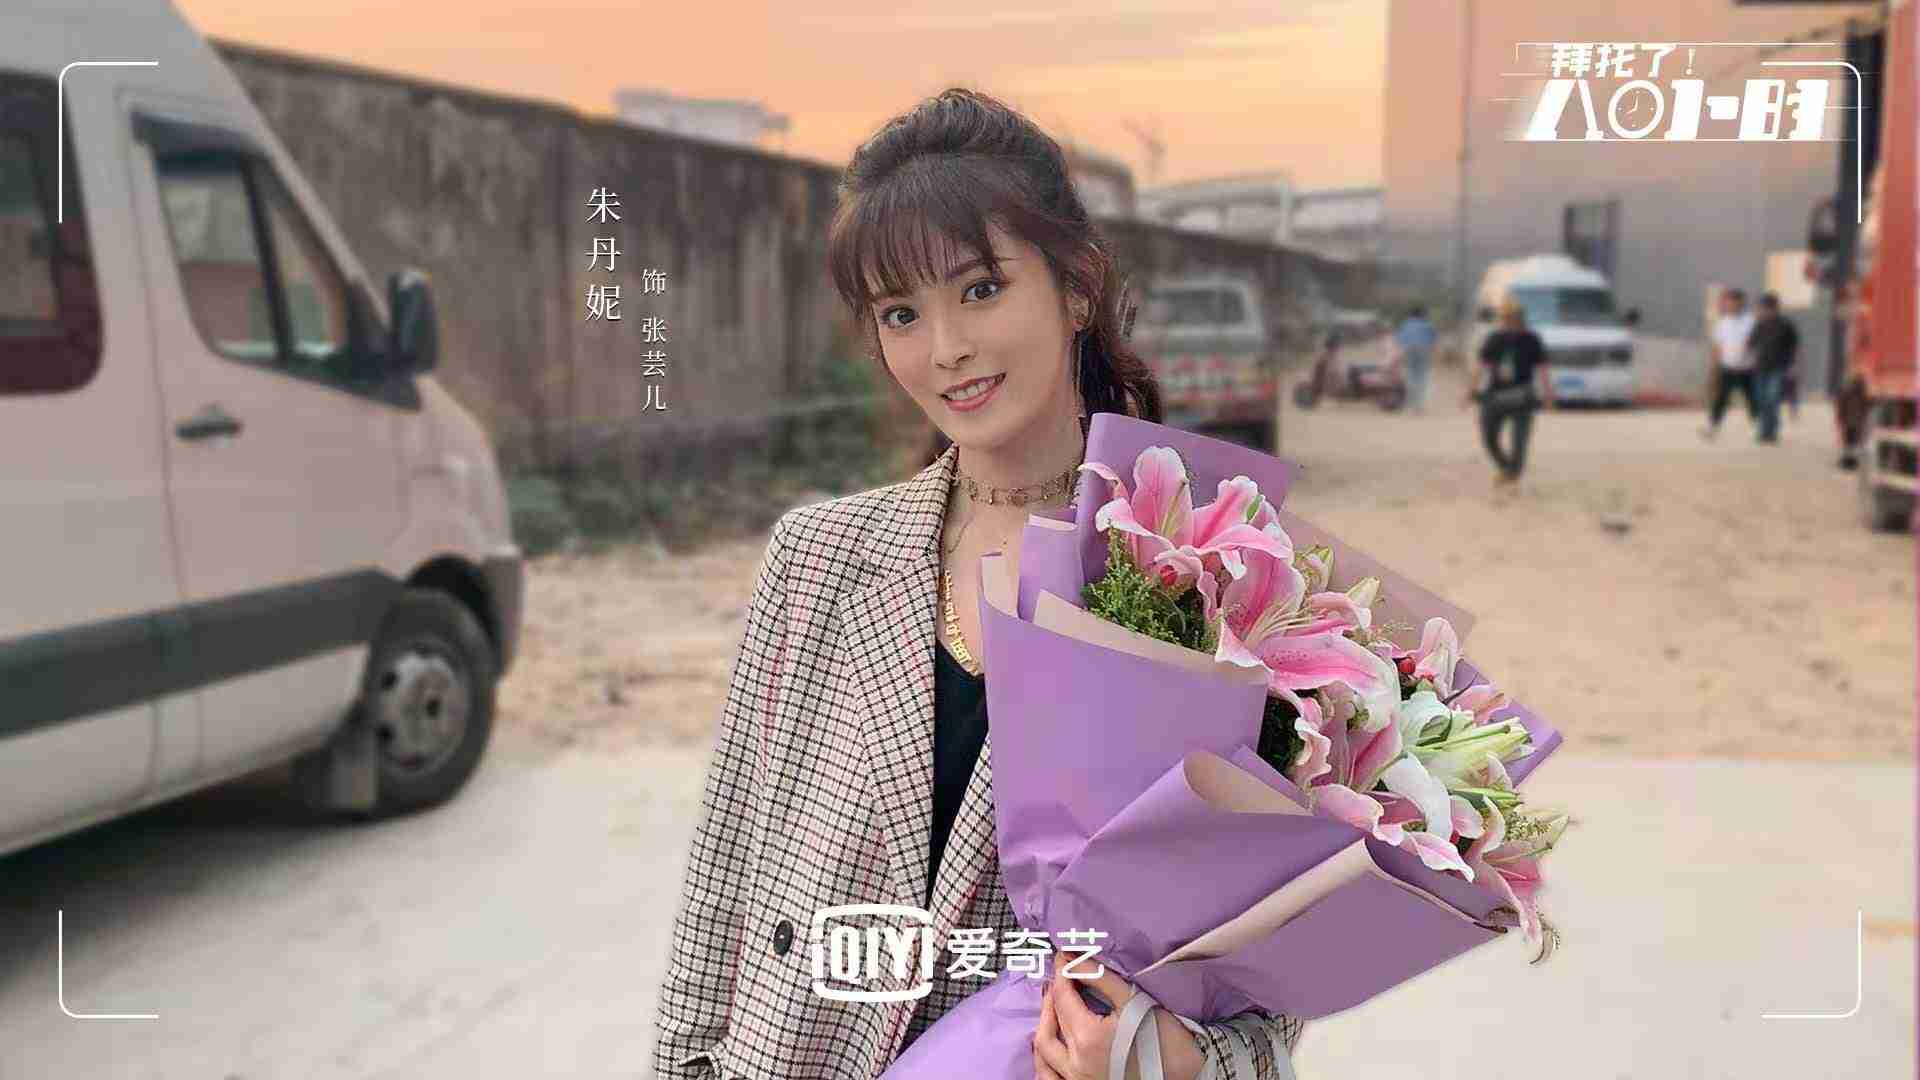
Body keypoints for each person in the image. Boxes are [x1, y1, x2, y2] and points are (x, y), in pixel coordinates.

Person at [650, 88, 1301, 1080]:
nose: (945, 346)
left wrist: (1184, 1060)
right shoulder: (816, 558)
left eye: (981, 289)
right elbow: (724, 879)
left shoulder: (1206, 571)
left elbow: (1270, 946)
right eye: (901, 313)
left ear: (1076, 287)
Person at [1467, 297, 1555, 488]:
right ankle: (1506, 467)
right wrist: (1471, 390)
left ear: (1520, 318)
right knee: (1488, 437)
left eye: (1513, 317)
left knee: (1519, 441)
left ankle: (1512, 475)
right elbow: (1481, 366)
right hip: (1495, 396)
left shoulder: (1532, 339)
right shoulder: (1494, 339)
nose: (1509, 321)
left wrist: (1548, 395)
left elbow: (1542, 368)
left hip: (1523, 395)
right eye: (1506, 318)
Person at [1701, 288, 1758, 440]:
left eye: (1735, 302)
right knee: (1721, 398)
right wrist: (1715, 366)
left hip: (1748, 368)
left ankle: (1757, 426)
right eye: (1729, 302)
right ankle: (1713, 426)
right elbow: (1717, 346)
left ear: (1742, 303)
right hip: (1727, 367)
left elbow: (1759, 343)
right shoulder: (1722, 323)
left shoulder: (1751, 322)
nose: (1731, 305)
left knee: (1752, 399)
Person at [1746, 292, 1800, 444]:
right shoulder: (1759, 325)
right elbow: (1750, 344)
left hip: (1778, 368)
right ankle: (1763, 431)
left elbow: (1795, 347)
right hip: (1760, 368)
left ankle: (1771, 432)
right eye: (1762, 308)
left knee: (1772, 398)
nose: (1763, 311)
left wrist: (1794, 366)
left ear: (1774, 308)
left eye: (1765, 308)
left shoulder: (1786, 325)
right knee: (1761, 400)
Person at [1392, 304, 1438, 412]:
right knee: (1422, 377)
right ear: (1423, 314)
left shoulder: (1405, 324)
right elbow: (1434, 340)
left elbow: (1399, 341)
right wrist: (1434, 353)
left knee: (1410, 376)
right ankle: (1419, 406)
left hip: (1409, 350)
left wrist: (1398, 355)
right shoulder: (1428, 325)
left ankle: (1410, 403)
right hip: (1424, 351)